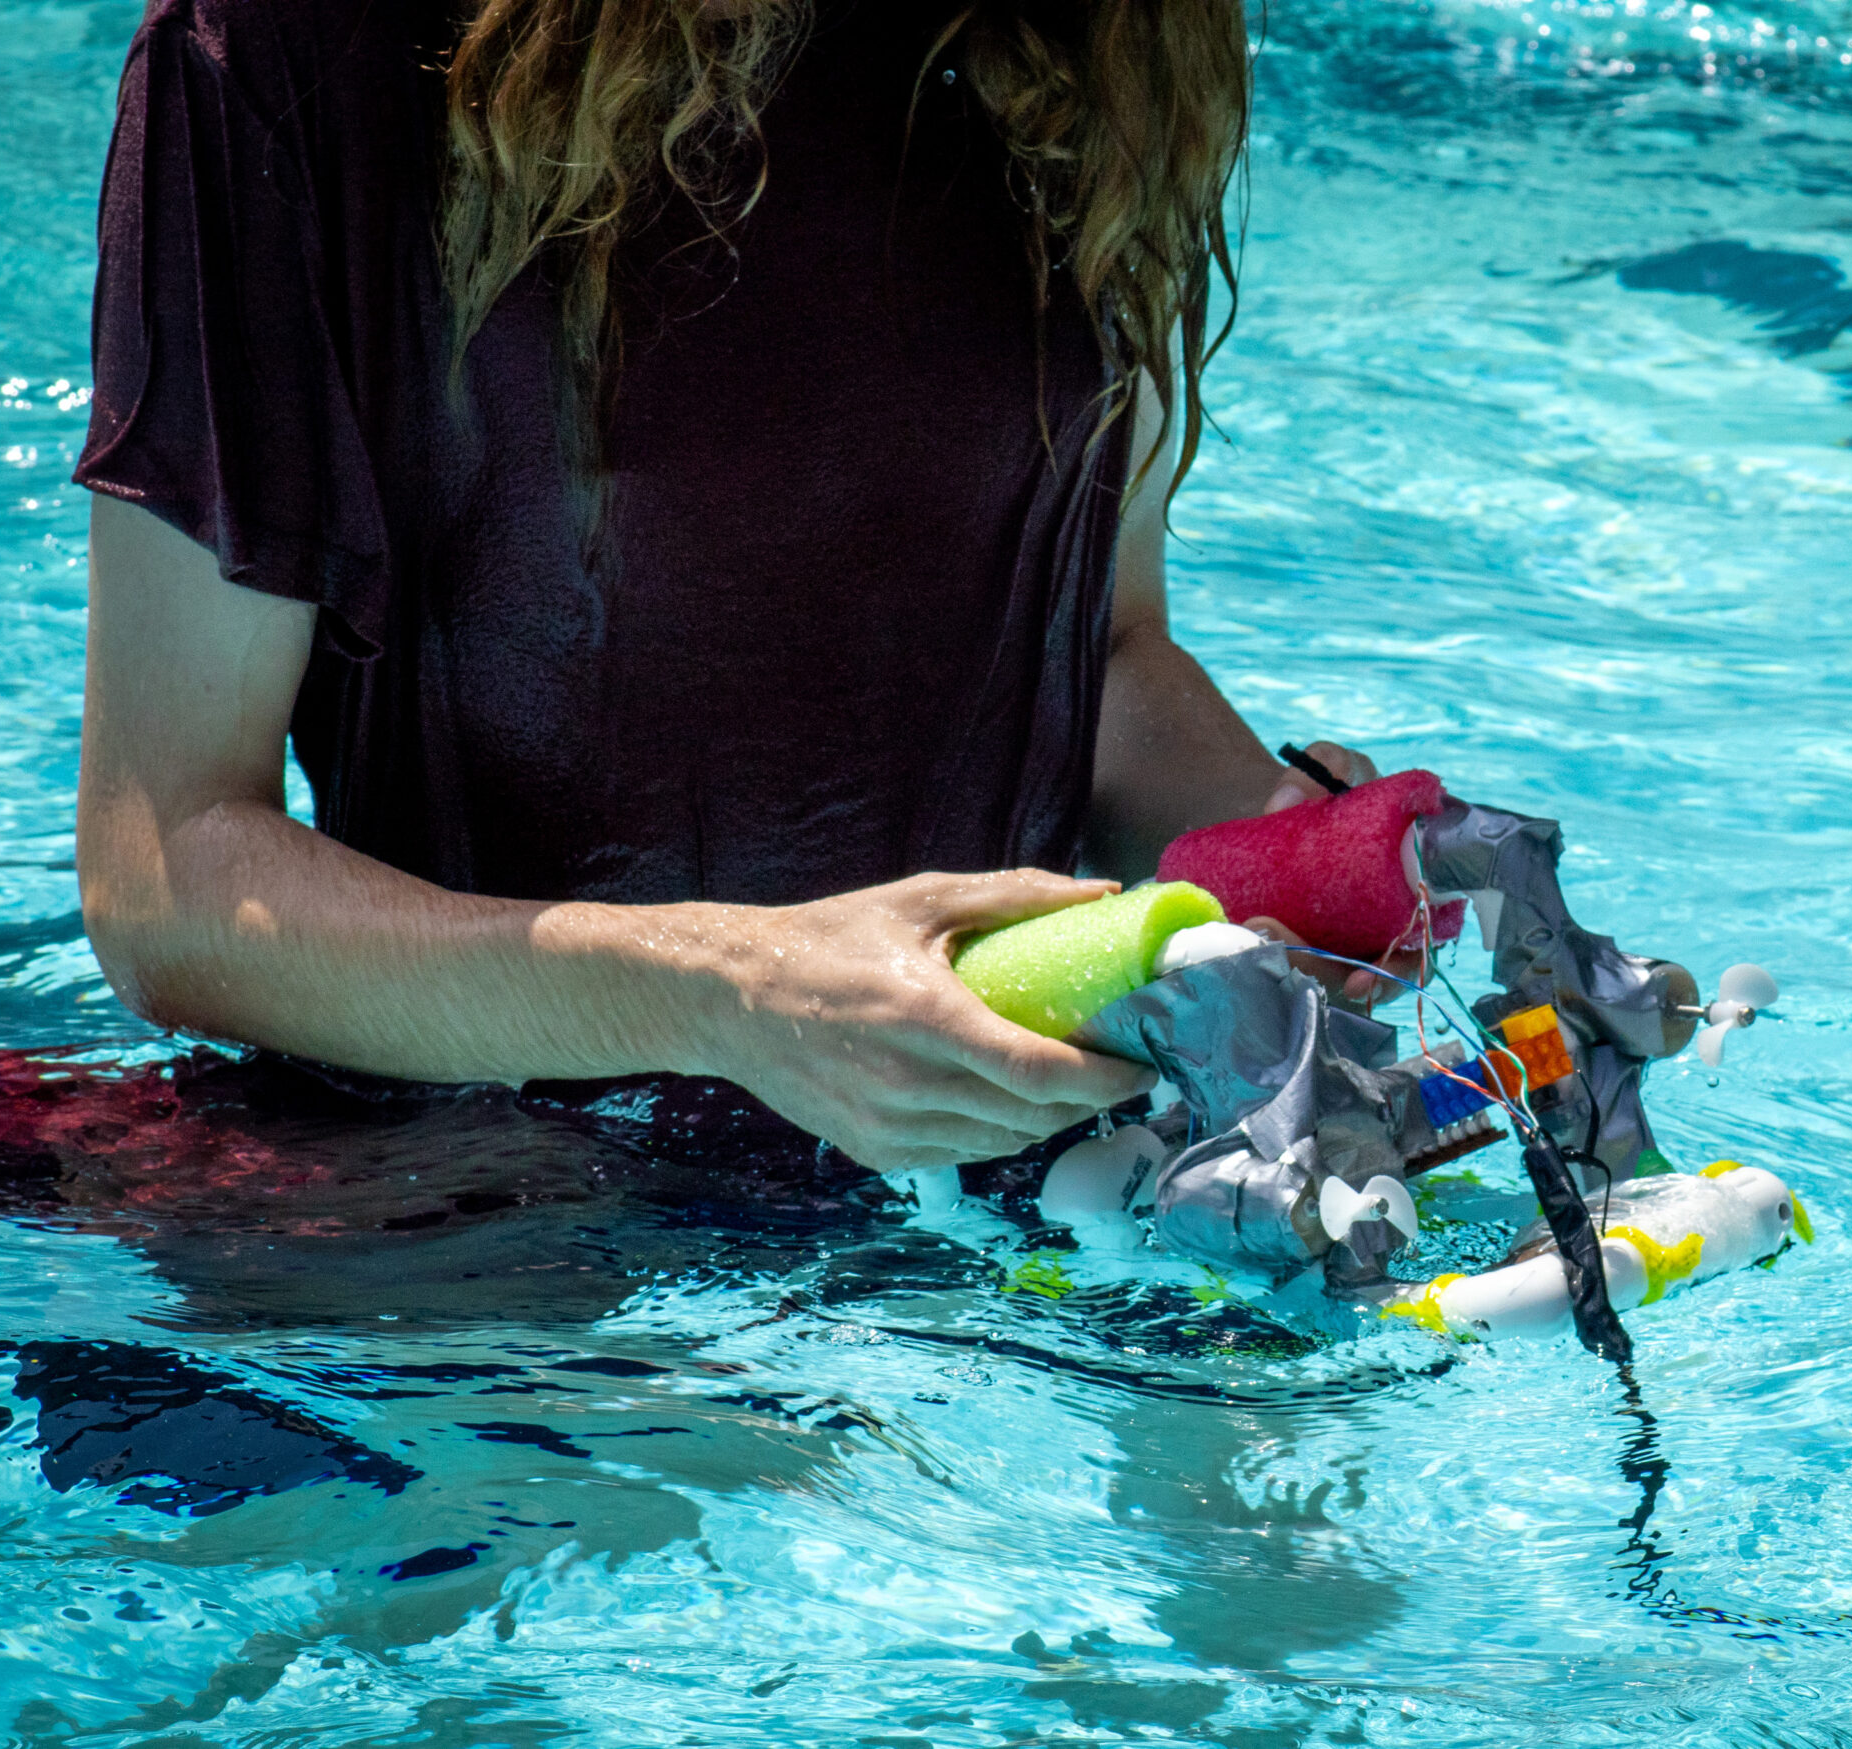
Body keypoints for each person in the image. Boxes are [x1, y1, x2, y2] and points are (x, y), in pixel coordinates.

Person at [73, 0, 1390, 1175]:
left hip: (996, 1202)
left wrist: (1291, 854)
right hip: (492, 1239)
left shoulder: (1098, 40)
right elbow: (165, 873)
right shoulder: (298, 50)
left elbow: (1088, 661)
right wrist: (727, 996)